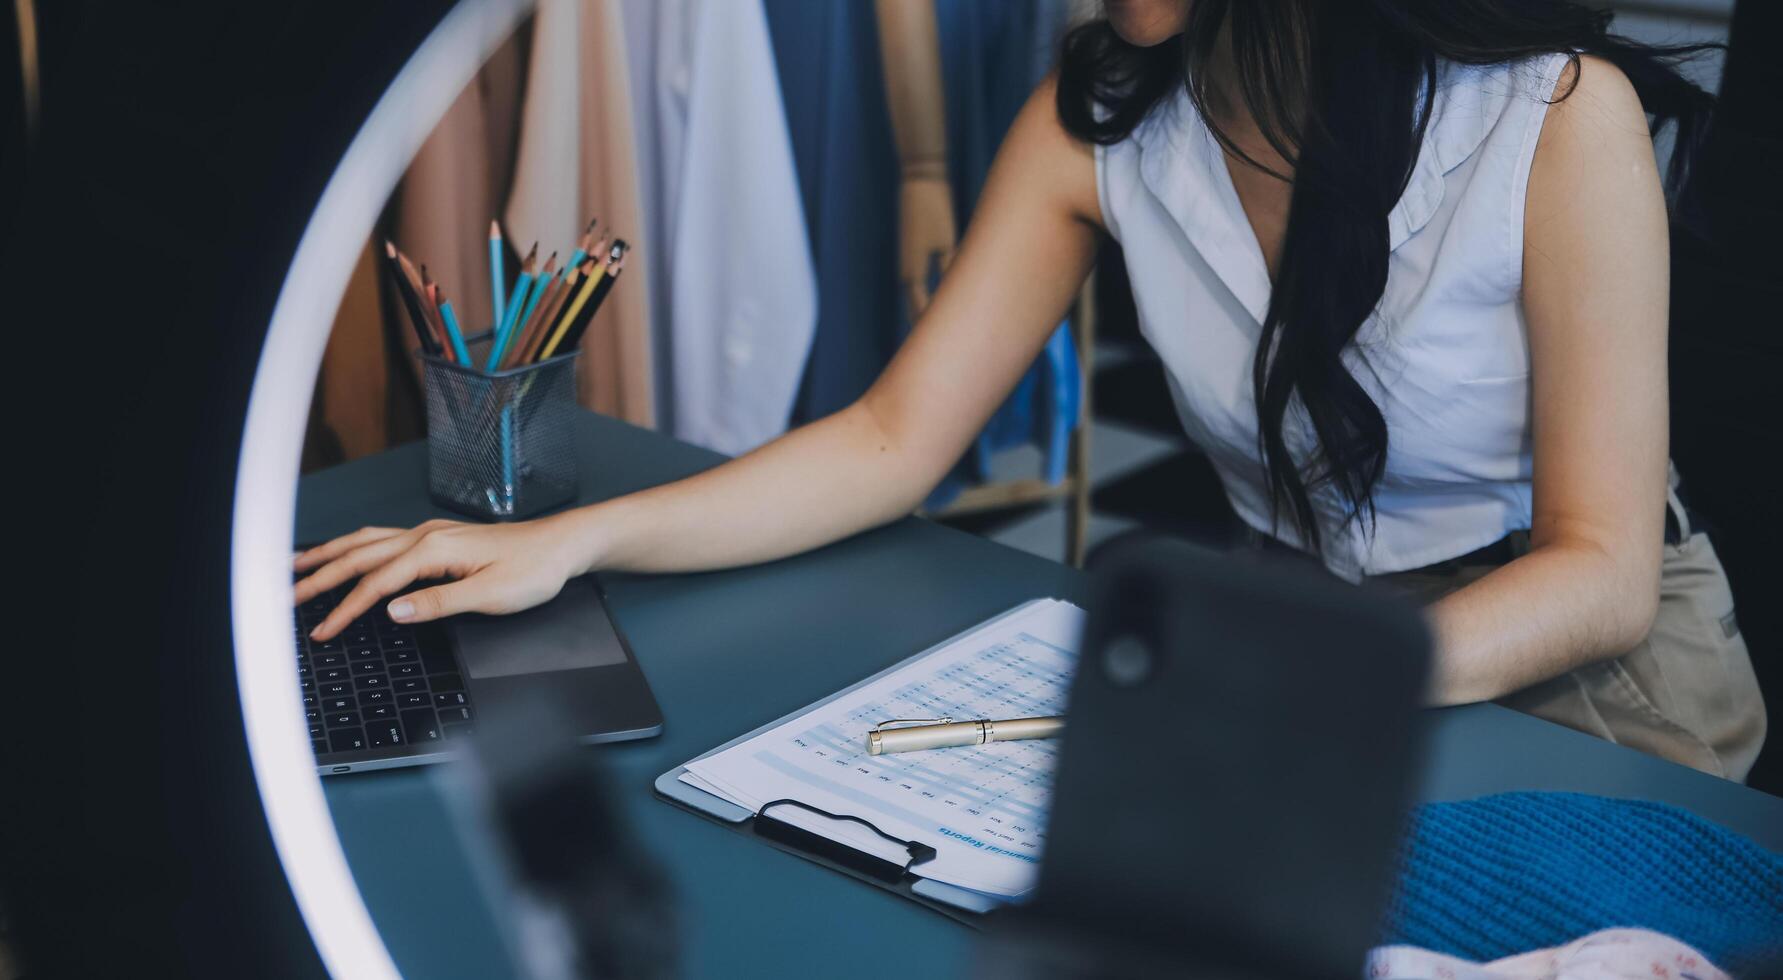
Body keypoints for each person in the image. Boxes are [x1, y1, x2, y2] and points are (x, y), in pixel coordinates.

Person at [296, 0, 1765, 780]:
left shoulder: (1560, 119)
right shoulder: (1100, 126)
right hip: (1305, 656)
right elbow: (888, 438)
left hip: (1591, 698)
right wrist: (574, 539)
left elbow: (1601, 574)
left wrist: (1287, 687)